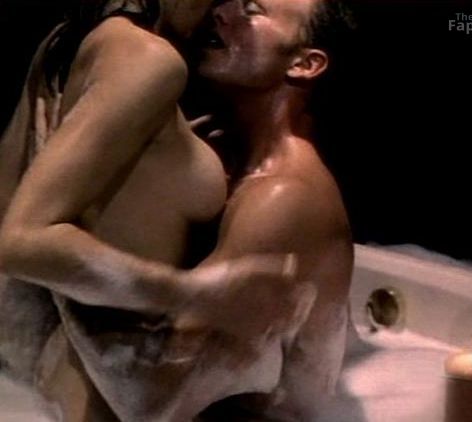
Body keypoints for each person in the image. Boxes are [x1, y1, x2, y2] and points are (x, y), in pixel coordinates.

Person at [0, 0, 313, 420]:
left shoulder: (74, 38)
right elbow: (18, 242)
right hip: (102, 398)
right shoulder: (150, 61)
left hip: (46, 384)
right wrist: (189, 292)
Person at [190, 0, 357, 420]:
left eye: (253, 9)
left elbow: (151, 390)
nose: (221, 11)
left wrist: (57, 246)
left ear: (304, 64)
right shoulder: (231, 160)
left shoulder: (283, 195)